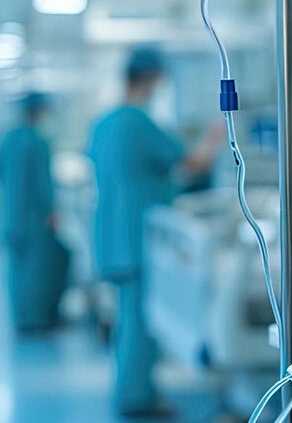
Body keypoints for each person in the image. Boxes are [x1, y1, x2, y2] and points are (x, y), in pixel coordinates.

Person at [88, 47, 221, 417]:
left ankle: (133, 392)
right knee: (138, 322)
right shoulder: (139, 123)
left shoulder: (104, 122)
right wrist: (215, 138)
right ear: (152, 78)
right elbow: (190, 164)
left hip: (112, 236)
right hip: (136, 239)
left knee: (128, 318)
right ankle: (135, 399)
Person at [0, 92, 69, 331]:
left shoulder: (8, 139)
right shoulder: (37, 143)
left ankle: (21, 318)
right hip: (34, 219)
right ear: (39, 111)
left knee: (17, 270)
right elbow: (42, 184)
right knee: (37, 270)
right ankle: (36, 320)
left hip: (10, 216)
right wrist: (51, 211)